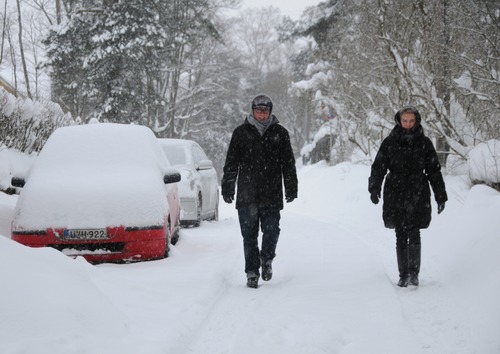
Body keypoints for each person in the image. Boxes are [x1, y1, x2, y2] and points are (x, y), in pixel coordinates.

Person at [221, 94, 298, 288]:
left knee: (272, 231)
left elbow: (288, 164)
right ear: (252, 111)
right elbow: (231, 163)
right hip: (247, 194)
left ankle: (267, 259)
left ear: (270, 112)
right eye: (258, 111)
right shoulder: (241, 133)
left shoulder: (280, 133)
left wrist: (291, 186)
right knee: (249, 235)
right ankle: (252, 272)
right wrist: (228, 185)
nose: (261, 115)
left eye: (264, 111)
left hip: (271, 193)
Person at [368, 105, 447, 287]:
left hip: (418, 191)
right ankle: (403, 274)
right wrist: (374, 188)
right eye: (405, 121)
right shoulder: (390, 142)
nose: (408, 124)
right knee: (400, 232)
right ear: (399, 120)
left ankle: (414, 274)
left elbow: (434, 170)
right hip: (395, 191)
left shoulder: (424, 143)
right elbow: (378, 166)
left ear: (416, 120)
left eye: (411, 121)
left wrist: (440, 195)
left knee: (415, 231)